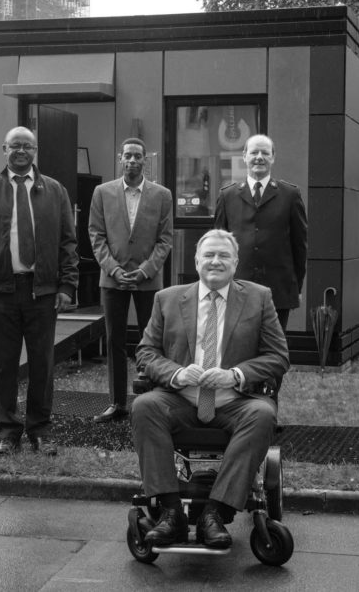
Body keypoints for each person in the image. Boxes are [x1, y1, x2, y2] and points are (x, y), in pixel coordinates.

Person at [132, 229, 289, 549]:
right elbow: (146, 353)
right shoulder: (168, 299)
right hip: (181, 399)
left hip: (236, 400)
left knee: (261, 414)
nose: (215, 261)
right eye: (209, 255)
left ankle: (215, 514)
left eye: (223, 256)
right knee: (144, 405)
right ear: (196, 260)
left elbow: (278, 357)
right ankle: (171, 514)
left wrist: (235, 375)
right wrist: (176, 374)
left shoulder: (259, 298)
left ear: (236, 262)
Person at [0, 126, 79, 456]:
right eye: (15, 146)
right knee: (5, 365)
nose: (21, 151)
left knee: (43, 364)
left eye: (28, 146)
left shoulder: (55, 190)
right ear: (4, 149)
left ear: (35, 151)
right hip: (0, 292)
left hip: (42, 292)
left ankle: (40, 430)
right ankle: (7, 431)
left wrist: (67, 284)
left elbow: (68, 242)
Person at [88, 138, 173, 423]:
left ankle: (152, 402)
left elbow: (165, 239)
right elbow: (96, 235)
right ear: (120, 158)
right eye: (128, 156)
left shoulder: (162, 195)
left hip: (148, 281)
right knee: (115, 340)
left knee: (152, 341)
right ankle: (116, 403)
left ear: (145, 160)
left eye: (138, 156)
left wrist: (147, 270)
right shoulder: (102, 192)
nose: (133, 161)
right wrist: (113, 269)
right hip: (113, 280)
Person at [214, 134, 307, 330]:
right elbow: (218, 245)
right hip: (237, 286)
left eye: (265, 153)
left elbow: (300, 246)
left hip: (278, 289)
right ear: (244, 156)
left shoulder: (290, 195)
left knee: (274, 349)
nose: (259, 157)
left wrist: (296, 287)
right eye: (254, 152)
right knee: (239, 347)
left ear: (273, 158)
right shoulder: (227, 196)